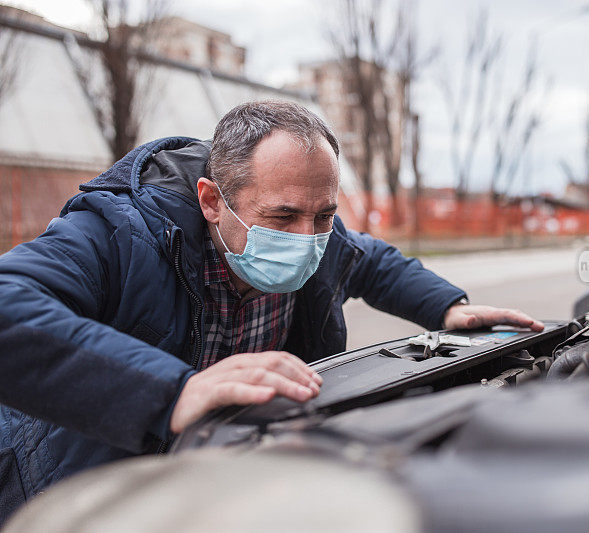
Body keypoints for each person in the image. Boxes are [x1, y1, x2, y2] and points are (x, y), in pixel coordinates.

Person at [0, 100, 542, 519]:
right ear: (213, 201)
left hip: (217, 488)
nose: (307, 238)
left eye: (323, 214)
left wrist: (448, 307)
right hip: (77, 493)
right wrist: (174, 391)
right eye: (282, 216)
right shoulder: (116, 236)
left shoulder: (320, 239)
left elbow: (371, 261)